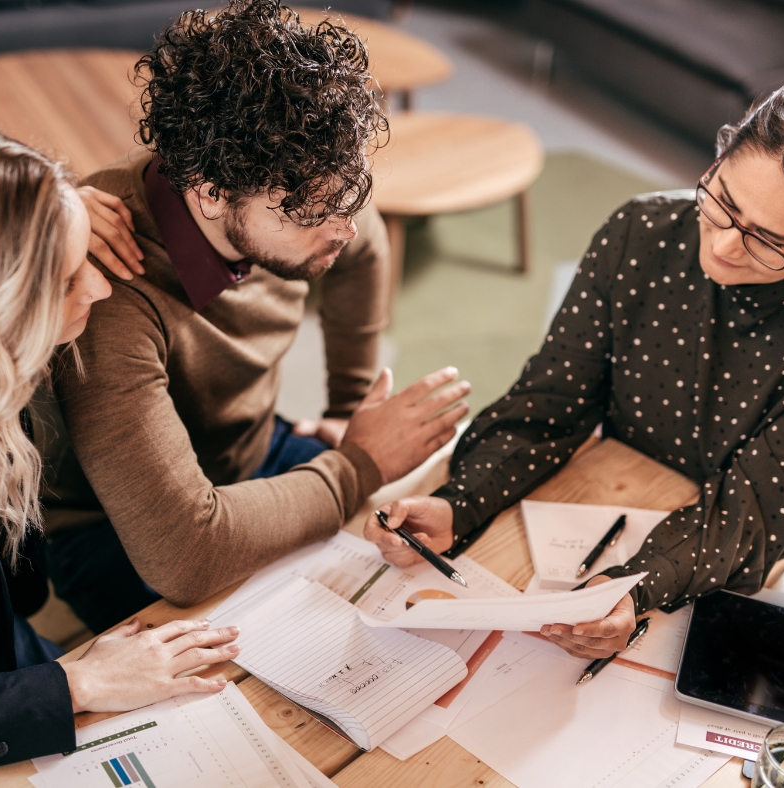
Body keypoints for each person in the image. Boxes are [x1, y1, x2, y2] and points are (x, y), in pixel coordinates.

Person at [364, 80, 784, 660]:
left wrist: (634, 588)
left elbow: (752, 512)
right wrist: (459, 503)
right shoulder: (640, 234)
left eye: (767, 241)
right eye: (723, 202)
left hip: (773, 547)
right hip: (626, 490)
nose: (722, 247)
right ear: (718, 157)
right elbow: (549, 403)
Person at [40, 0, 470, 634]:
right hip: (123, 529)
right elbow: (183, 555)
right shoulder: (110, 288)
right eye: (312, 214)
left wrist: (348, 410)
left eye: (351, 195)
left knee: (403, 576)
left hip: (247, 455)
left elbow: (365, 245)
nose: (344, 228)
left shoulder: (308, 186)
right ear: (212, 192)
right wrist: (358, 463)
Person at [0, 124, 240, 784]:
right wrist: (73, 688)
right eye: (64, 281)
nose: (100, 288)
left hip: (5, 658)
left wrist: (53, 214)